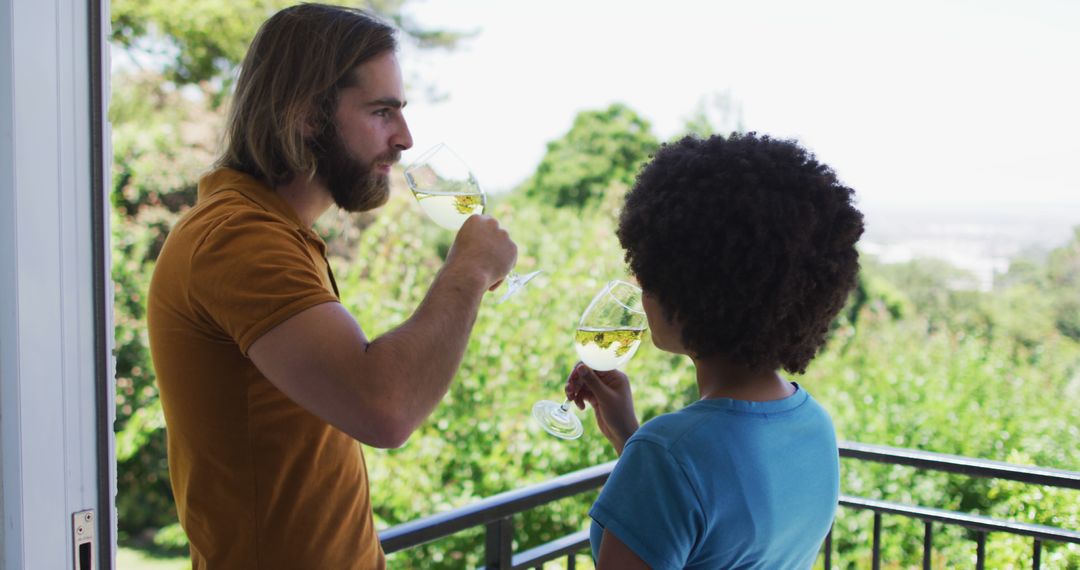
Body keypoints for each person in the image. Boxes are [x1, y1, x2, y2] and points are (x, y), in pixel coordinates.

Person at [146, 4, 516, 569]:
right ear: (305, 116)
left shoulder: (273, 231)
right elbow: (385, 408)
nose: (405, 138)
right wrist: (467, 270)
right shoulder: (239, 237)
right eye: (381, 111)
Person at [566, 132, 864, 569]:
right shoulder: (815, 425)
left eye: (650, 271)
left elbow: (690, 488)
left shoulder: (668, 455)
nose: (642, 286)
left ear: (691, 286)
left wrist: (647, 453)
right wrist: (629, 439)